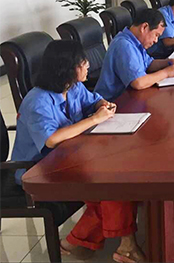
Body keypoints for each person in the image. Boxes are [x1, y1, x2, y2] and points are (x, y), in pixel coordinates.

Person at [11, 40, 146, 262]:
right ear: (66, 68)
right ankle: (122, 245)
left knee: (118, 177)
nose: (88, 65)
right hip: (39, 169)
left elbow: (94, 100)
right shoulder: (37, 101)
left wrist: (103, 105)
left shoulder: (73, 87)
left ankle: (78, 242)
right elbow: (51, 140)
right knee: (110, 186)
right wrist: (94, 119)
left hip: (70, 157)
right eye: (82, 62)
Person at [95, 9, 174, 101]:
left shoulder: (136, 42)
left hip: (129, 97)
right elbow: (138, 82)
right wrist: (166, 73)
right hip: (113, 103)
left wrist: (169, 62)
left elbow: (149, 64)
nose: (156, 40)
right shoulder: (124, 45)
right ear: (144, 27)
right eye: (156, 35)